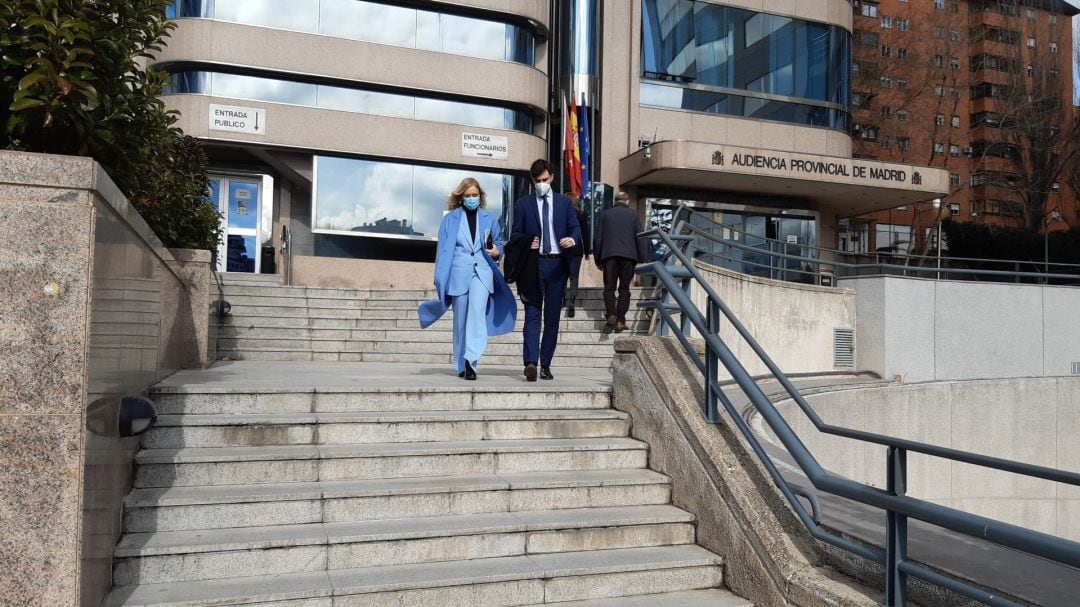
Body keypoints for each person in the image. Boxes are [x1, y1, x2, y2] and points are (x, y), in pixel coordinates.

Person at [418, 178, 516, 380]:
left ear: (480, 196)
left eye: (475, 195)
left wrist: (498, 251)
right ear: (461, 198)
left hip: (482, 273)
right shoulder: (450, 220)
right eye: (468, 195)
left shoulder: (490, 218)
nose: (472, 198)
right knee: (460, 320)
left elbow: (498, 244)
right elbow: (443, 251)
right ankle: (460, 364)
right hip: (458, 273)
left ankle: (471, 360)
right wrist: (440, 277)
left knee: (477, 313)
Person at [511, 159, 582, 382]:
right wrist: (526, 242)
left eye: (544, 180)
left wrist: (571, 239)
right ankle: (530, 363)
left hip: (558, 265)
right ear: (533, 181)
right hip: (534, 265)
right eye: (537, 181)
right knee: (533, 314)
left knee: (552, 318)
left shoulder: (564, 203)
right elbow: (515, 235)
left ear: (551, 177)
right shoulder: (523, 204)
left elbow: (575, 228)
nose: (541, 184)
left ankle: (546, 364)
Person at [593, 191, 648, 333]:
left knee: (609, 288)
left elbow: (598, 239)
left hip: (609, 256)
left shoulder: (605, 214)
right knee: (624, 289)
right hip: (628, 258)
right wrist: (642, 257)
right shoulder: (634, 215)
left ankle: (611, 314)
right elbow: (640, 237)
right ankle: (620, 321)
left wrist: (598, 259)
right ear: (627, 201)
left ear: (614, 201)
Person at [563, 195, 590, 318]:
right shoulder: (581, 214)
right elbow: (585, 233)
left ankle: (563, 299)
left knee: (562, 276)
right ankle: (571, 302)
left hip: (562, 249)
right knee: (574, 277)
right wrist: (587, 251)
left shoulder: (561, 214)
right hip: (576, 250)